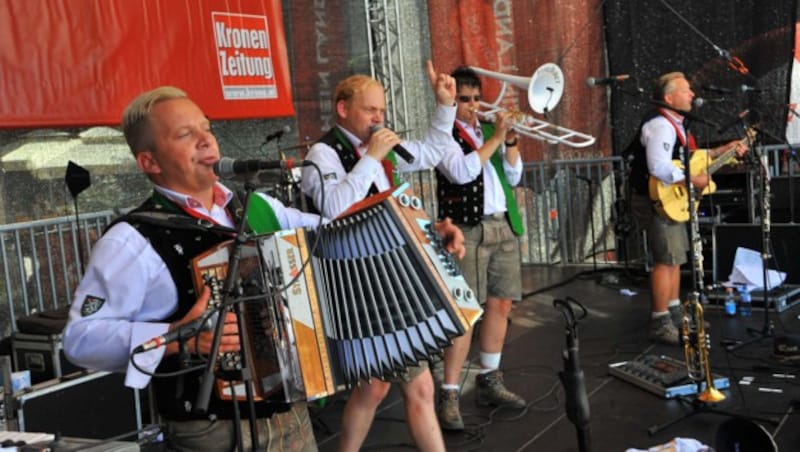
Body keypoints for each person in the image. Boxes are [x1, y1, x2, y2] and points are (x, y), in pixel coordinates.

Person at [61, 86, 323, 451]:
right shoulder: (131, 240)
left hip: (289, 413)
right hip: (211, 430)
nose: (205, 140)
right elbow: (81, 339)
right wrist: (176, 336)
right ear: (149, 162)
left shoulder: (257, 205)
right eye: (185, 134)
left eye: (206, 128)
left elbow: (331, 231)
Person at [300, 61, 462, 452]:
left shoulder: (377, 148)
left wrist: (444, 106)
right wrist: (371, 156)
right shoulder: (322, 155)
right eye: (371, 110)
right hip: (355, 283)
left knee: (388, 386)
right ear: (343, 109)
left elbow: (428, 153)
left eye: (382, 111)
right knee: (380, 386)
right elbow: (334, 210)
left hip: (390, 276)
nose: (379, 118)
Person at [433, 66, 526, 431]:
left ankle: (490, 378)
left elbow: (515, 177)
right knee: (466, 312)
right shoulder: (443, 135)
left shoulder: (489, 130)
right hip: (467, 230)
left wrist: (511, 140)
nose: (472, 106)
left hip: (502, 224)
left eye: (476, 99)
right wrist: (496, 137)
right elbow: (462, 172)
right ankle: (450, 391)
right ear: (450, 101)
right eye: (464, 100)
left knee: (501, 303)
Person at [626, 72, 748, 345]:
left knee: (675, 258)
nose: (692, 94)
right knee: (665, 259)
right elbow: (658, 166)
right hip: (656, 199)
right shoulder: (661, 125)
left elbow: (688, 158)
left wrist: (721, 151)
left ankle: (673, 311)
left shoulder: (678, 125)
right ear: (669, 98)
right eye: (686, 90)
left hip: (671, 198)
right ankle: (660, 321)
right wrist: (693, 180)